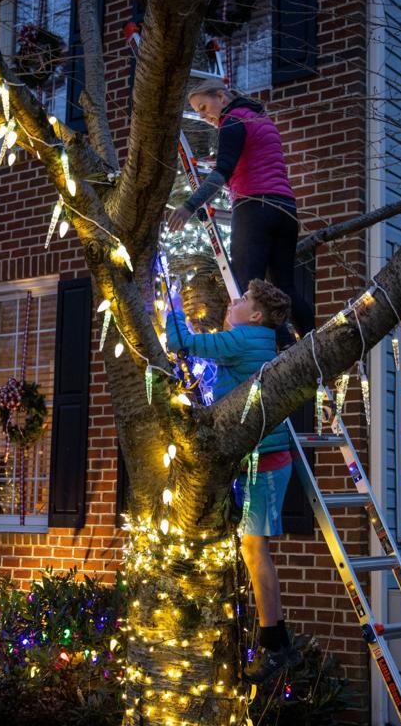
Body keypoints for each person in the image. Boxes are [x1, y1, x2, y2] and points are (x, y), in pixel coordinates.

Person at [166, 279, 301, 683]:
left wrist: (173, 302)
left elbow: (180, 342)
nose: (233, 301)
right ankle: (274, 639)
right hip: (258, 463)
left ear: (256, 315)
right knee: (249, 549)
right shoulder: (254, 339)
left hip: (267, 464)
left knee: (255, 550)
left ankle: (277, 647)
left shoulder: (243, 339)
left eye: (242, 299)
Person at [166, 79, 313, 348]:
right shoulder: (260, 119)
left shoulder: (232, 121)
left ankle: (283, 350)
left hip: (254, 209)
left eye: (203, 107)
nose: (202, 115)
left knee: (249, 290)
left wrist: (189, 206)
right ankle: (315, 343)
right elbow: (254, 159)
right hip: (286, 211)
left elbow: (222, 173)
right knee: (284, 289)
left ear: (221, 97)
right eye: (197, 111)